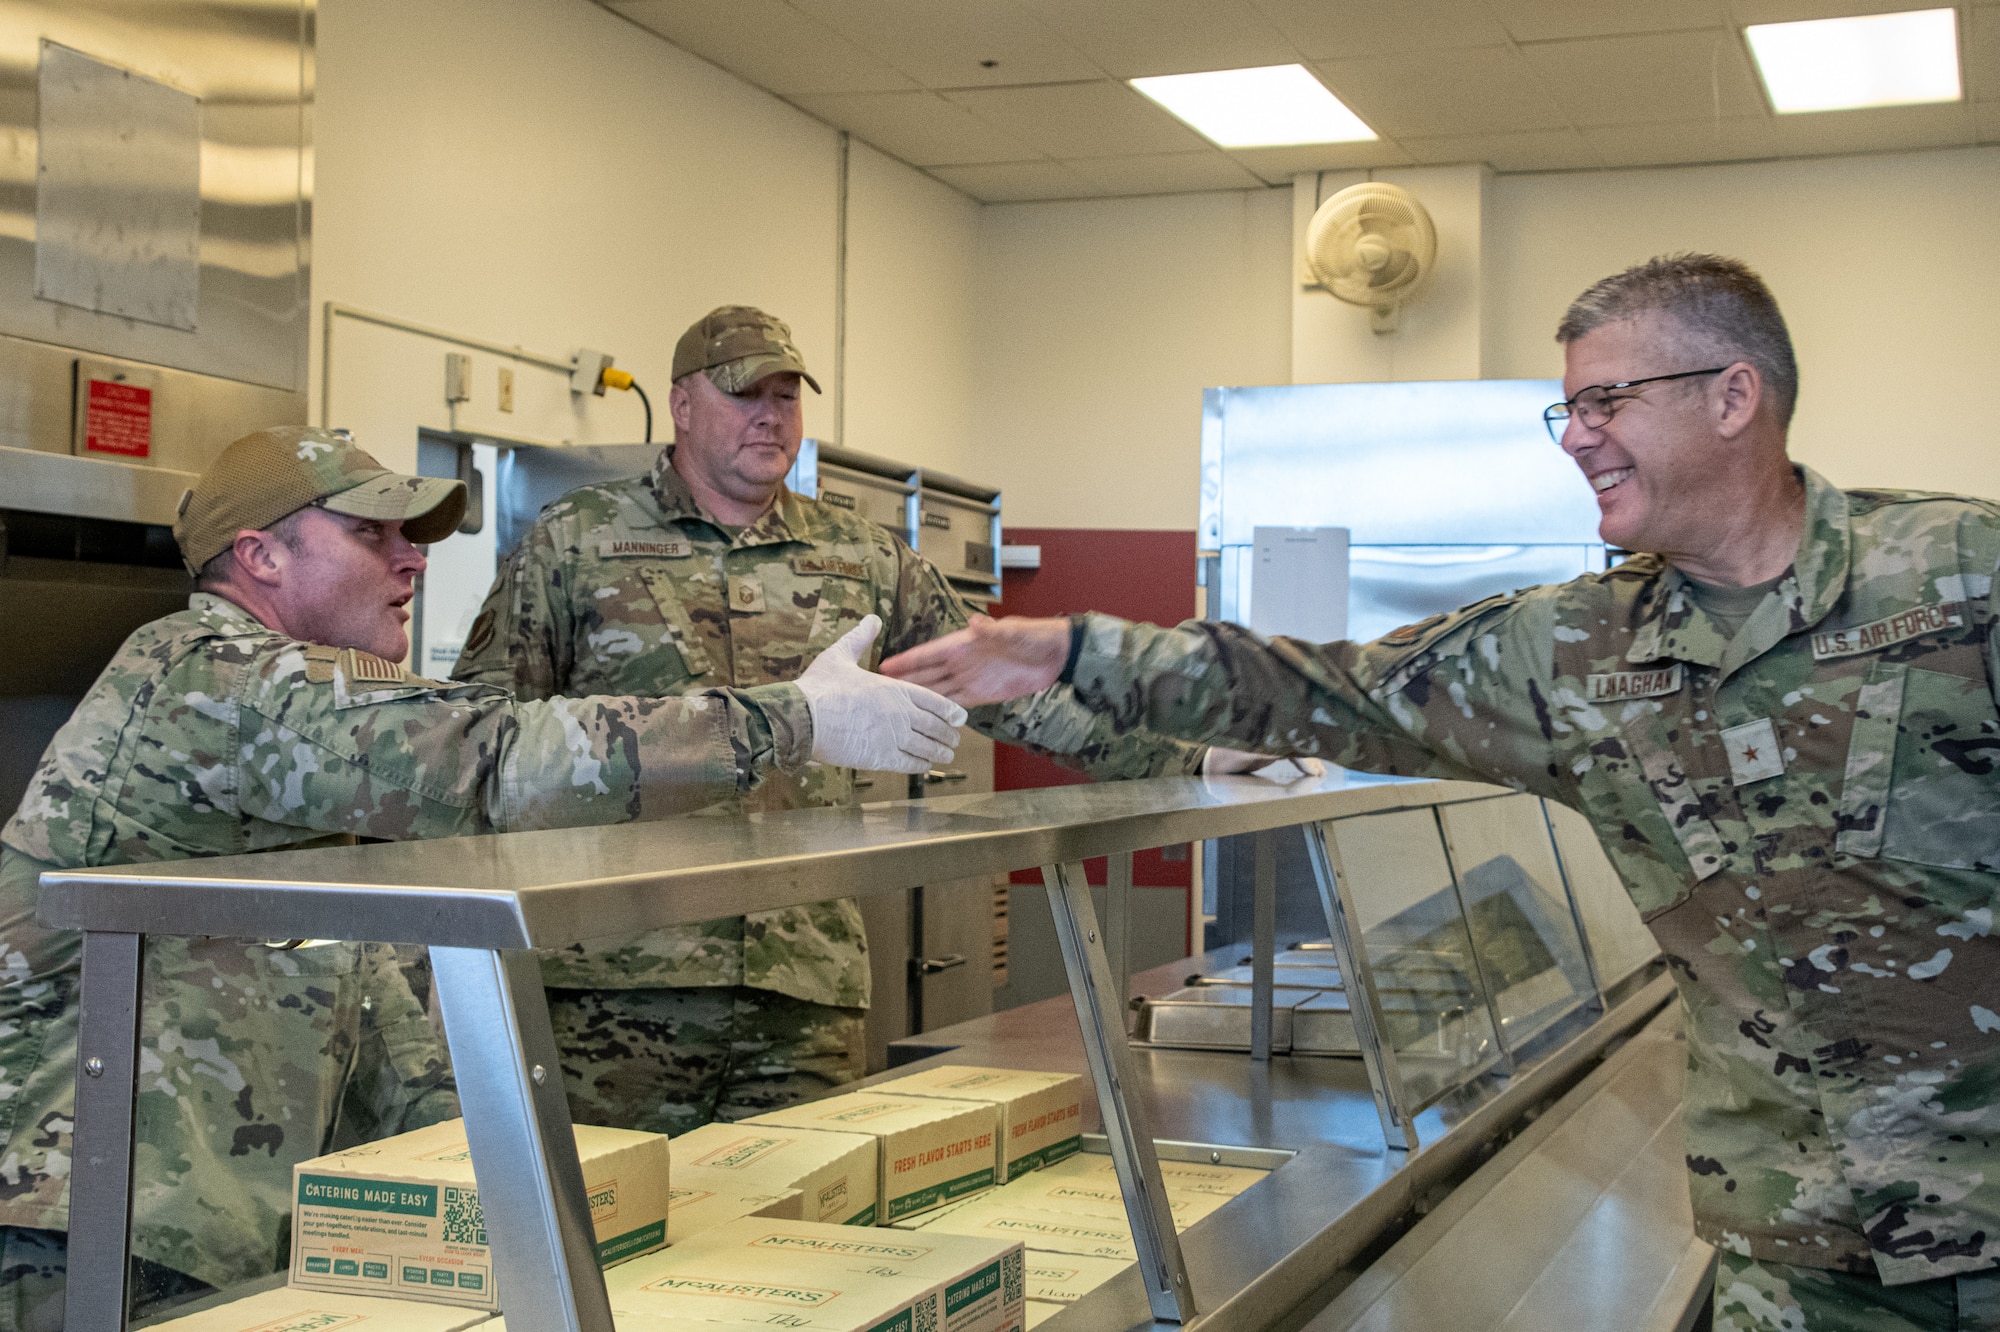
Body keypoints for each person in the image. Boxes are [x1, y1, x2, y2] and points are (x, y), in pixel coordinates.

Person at [882, 254, 2000, 1332]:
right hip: (1791, 1243)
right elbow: (1331, 691)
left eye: (1606, 399)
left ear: (1731, 397)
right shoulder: (1571, 647)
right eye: (1564, 410)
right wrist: (1076, 653)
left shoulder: (1956, 576)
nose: (1576, 437)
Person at [0, 426, 962, 1329]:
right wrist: (789, 719)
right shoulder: (212, 679)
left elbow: (370, 983)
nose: (412, 558)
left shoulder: (301, 708)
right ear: (261, 557)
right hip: (85, 1218)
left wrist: (523, 1184)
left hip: (215, 1214)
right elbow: (491, 756)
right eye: (372, 534)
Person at [452, 305, 1228, 1136]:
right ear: (681, 405)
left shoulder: (860, 557)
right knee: (609, 1237)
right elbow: (485, 740)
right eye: (747, 393)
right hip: (610, 980)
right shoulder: (576, 542)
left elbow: (1009, 690)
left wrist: (1194, 753)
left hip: (804, 977)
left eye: (788, 396)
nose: (771, 415)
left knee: (803, 1230)